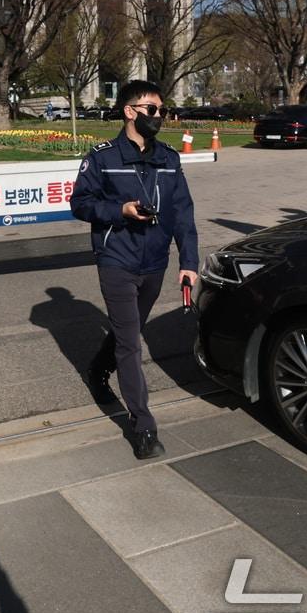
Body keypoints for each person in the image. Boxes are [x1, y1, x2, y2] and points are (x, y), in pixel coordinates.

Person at [69, 80, 199, 459]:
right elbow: (80, 203)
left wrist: (188, 262)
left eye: (162, 109)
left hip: (155, 262)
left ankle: (97, 369)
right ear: (130, 112)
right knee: (130, 342)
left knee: (129, 330)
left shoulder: (170, 159)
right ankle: (143, 426)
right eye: (151, 110)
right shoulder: (103, 156)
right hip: (117, 259)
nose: (159, 116)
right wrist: (120, 211)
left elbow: (184, 215)